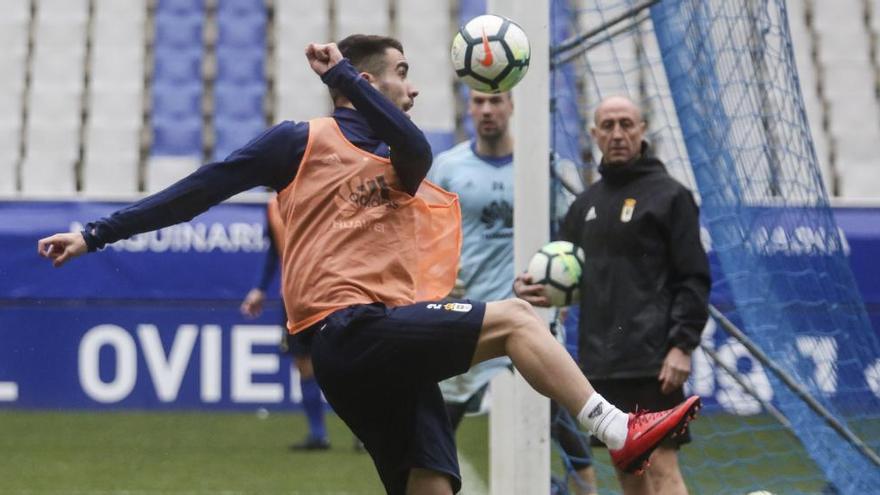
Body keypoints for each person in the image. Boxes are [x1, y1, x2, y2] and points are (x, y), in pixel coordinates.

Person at [38, 36, 701, 495]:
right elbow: (198, 190)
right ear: (370, 78)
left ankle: (620, 430)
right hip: (346, 329)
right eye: (402, 72)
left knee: (432, 482)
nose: (412, 86)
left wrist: (345, 77)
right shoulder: (301, 140)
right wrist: (96, 233)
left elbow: (411, 139)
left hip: (383, 343)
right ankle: (620, 426)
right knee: (520, 321)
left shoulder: (403, 160)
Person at [516, 95, 711, 495]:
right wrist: (528, 289)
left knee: (661, 470)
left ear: (642, 131)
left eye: (626, 124)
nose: (618, 133)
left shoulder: (671, 196)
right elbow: (561, 272)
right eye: (608, 125)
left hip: (652, 362)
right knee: (628, 472)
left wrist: (682, 345)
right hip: (599, 363)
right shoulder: (584, 205)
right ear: (594, 135)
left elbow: (693, 277)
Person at [430, 89, 598, 495]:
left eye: (496, 100)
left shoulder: (544, 167)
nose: (487, 110)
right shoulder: (448, 167)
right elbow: (425, 237)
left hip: (531, 315)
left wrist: (565, 298)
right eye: (479, 101)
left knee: (561, 416)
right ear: (469, 108)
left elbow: (572, 237)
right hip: (467, 314)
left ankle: (588, 492)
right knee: (436, 428)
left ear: (512, 106)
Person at [240, 196, 331, 450]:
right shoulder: (272, 206)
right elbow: (274, 250)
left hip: (334, 293)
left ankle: (363, 434)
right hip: (294, 297)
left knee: (348, 360)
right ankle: (318, 434)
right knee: (303, 362)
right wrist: (259, 288)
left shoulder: (325, 193)